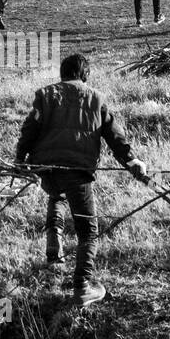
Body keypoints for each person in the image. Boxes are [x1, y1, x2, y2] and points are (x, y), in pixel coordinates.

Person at [15, 53, 150, 306]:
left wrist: (20, 159)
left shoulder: (45, 94)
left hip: (46, 167)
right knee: (88, 232)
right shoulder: (96, 98)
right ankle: (83, 287)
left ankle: (54, 246)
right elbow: (113, 135)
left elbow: (29, 129)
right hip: (77, 170)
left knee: (57, 193)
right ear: (85, 75)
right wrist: (132, 161)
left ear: (62, 73)